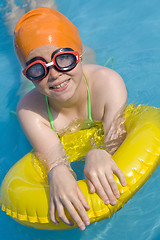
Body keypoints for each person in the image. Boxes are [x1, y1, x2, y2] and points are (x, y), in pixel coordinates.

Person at [15, 7, 127, 231]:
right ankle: (12, 10)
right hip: (37, 93)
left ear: (78, 55)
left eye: (64, 58)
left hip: (89, 78)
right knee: (14, 23)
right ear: (28, 73)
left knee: (47, 12)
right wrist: (56, 170)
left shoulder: (108, 85)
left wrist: (100, 151)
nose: (54, 73)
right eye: (37, 68)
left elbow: (118, 142)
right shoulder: (30, 110)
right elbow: (53, 158)